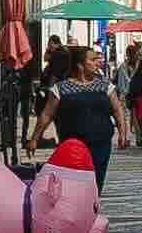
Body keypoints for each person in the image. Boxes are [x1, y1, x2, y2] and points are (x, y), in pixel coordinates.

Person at [38, 45, 118, 183]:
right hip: (73, 143)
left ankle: (93, 196)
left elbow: (117, 110)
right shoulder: (61, 88)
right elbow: (47, 114)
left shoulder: (105, 86)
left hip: (101, 142)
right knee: (75, 179)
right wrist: (35, 138)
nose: (97, 62)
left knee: (97, 178)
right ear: (80, 65)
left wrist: (123, 132)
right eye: (92, 60)